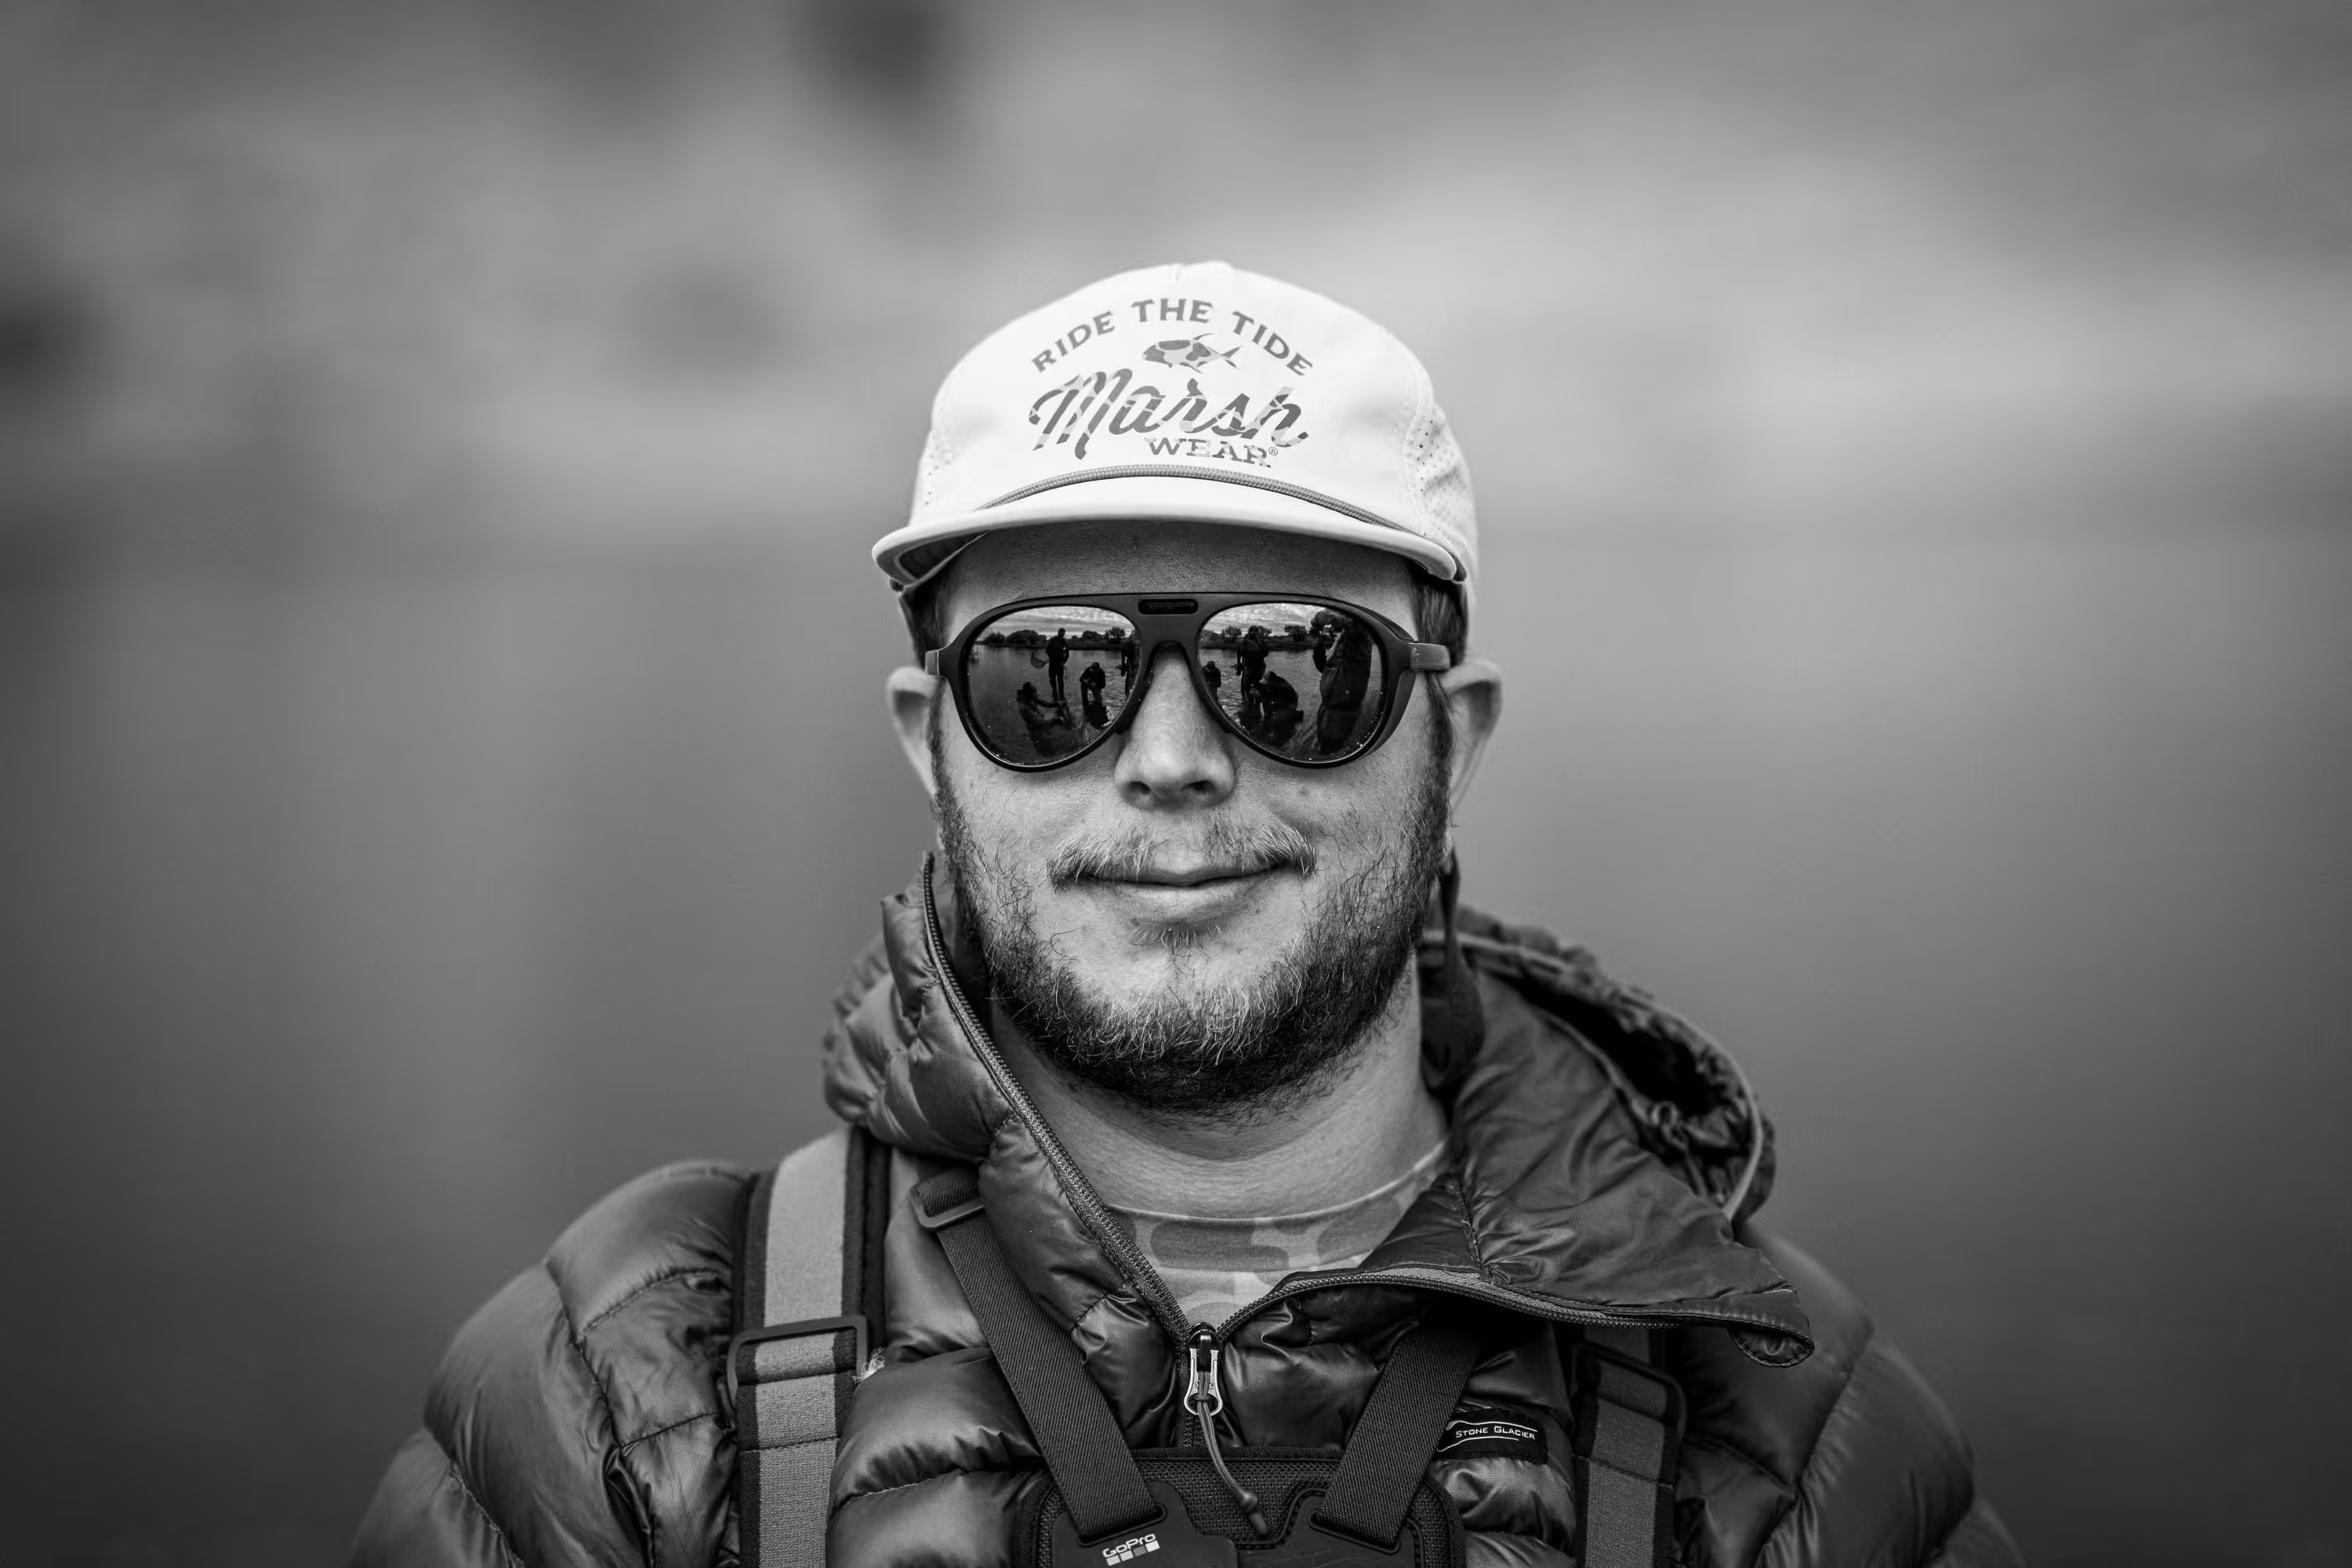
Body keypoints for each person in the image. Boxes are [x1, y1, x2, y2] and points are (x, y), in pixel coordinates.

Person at [352, 261, 2020, 1567]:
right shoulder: (625, 1387)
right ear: (929, 744)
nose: (1168, 761)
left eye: (1294, 670)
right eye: (1048, 676)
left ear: (1460, 734)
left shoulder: (1781, 1420)